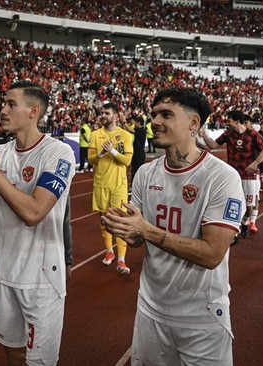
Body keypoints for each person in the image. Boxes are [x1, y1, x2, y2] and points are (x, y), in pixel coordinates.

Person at [101, 87, 245, 365]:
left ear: (193, 124)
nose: (155, 121)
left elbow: (212, 254)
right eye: (154, 114)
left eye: (166, 114)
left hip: (201, 315)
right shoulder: (145, 172)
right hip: (150, 309)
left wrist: (144, 229)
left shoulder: (222, 177)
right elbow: (137, 239)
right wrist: (124, 227)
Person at [0, 80, 75, 366]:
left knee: (39, 362)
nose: (2, 109)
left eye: (11, 104)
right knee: (12, 351)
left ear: (33, 111)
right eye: (4, 103)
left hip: (40, 279)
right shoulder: (2, 153)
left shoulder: (58, 153)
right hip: (4, 272)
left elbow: (34, 212)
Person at [199, 110, 263, 240]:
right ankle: (234, 232)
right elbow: (213, 145)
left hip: (249, 176)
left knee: (248, 207)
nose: (227, 123)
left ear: (236, 121)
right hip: (233, 175)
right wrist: (203, 136)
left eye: (229, 121)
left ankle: (245, 222)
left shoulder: (252, 134)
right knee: (233, 205)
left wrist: (255, 163)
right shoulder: (228, 134)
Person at [87, 102, 134, 274]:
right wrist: (101, 154)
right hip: (100, 183)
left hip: (118, 185)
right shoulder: (95, 135)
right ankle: (109, 252)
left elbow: (127, 161)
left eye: (106, 113)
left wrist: (112, 151)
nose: (103, 116)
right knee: (104, 220)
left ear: (115, 116)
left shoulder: (125, 135)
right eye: (102, 113)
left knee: (119, 221)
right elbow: (91, 160)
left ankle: (121, 259)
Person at [128, 115, 146, 188]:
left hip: (139, 154)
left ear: (139, 122)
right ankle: (133, 186)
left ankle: (137, 187)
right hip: (136, 153)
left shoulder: (141, 130)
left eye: (135, 122)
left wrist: (123, 122)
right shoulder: (140, 130)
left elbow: (130, 130)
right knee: (134, 171)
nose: (134, 123)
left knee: (137, 172)